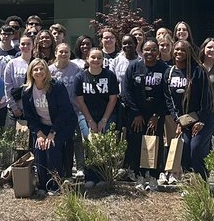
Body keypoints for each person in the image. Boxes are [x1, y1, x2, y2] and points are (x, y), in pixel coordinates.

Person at [121, 39, 175, 189]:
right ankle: (139, 175)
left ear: (158, 52)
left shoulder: (164, 69)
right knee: (136, 143)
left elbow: (167, 95)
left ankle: (152, 176)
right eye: (146, 49)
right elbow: (127, 91)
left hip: (156, 115)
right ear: (141, 50)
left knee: (154, 143)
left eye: (153, 50)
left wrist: (157, 115)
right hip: (136, 115)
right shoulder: (134, 67)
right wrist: (136, 113)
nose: (149, 52)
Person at [20, 58, 75, 195]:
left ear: (46, 71)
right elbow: (29, 116)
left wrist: (52, 133)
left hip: (62, 125)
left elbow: (65, 112)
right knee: (39, 148)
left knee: (52, 147)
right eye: (35, 69)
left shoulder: (57, 86)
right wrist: (39, 134)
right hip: (42, 126)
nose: (39, 72)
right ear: (30, 72)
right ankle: (43, 185)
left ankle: (55, 184)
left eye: (42, 69)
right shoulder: (27, 91)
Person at [166, 40, 214, 182]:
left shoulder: (198, 71)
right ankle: (189, 183)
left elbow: (206, 98)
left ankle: (203, 183)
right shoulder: (169, 73)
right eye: (177, 49)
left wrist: (201, 120)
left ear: (189, 53)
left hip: (204, 117)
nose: (179, 52)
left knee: (196, 149)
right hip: (185, 120)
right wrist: (177, 120)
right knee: (185, 148)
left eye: (183, 50)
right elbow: (169, 99)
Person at [75, 48, 120, 187]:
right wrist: (90, 121)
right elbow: (80, 101)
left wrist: (103, 120)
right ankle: (90, 176)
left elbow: (113, 99)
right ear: (87, 59)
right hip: (86, 115)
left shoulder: (110, 76)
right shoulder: (80, 77)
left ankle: (103, 176)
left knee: (104, 143)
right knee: (90, 142)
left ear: (103, 60)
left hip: (106, 114)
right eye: (93, 57)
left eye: (99, 58)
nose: (96, 60)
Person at [50, 42, 83, 177]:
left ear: (70, 54)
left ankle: (79, 168)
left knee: (75, 140)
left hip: (73, 111)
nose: (63, 54)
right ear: (55, 53)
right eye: (61, 52)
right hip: (55, 113)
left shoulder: (76, 69)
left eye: (66, 52)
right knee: (57, 141)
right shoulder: (49, 70)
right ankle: (58, 170)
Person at [2, 34, 33, 132]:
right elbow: (7, 87)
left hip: (32, 110)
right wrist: (14, 107)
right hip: (14, 110)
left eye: (28, 44)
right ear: (19, 46)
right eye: (23, 44)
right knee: (10, 139)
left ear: (33, 45)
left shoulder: (36, 63)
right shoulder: (12, 64)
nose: (25, 46)